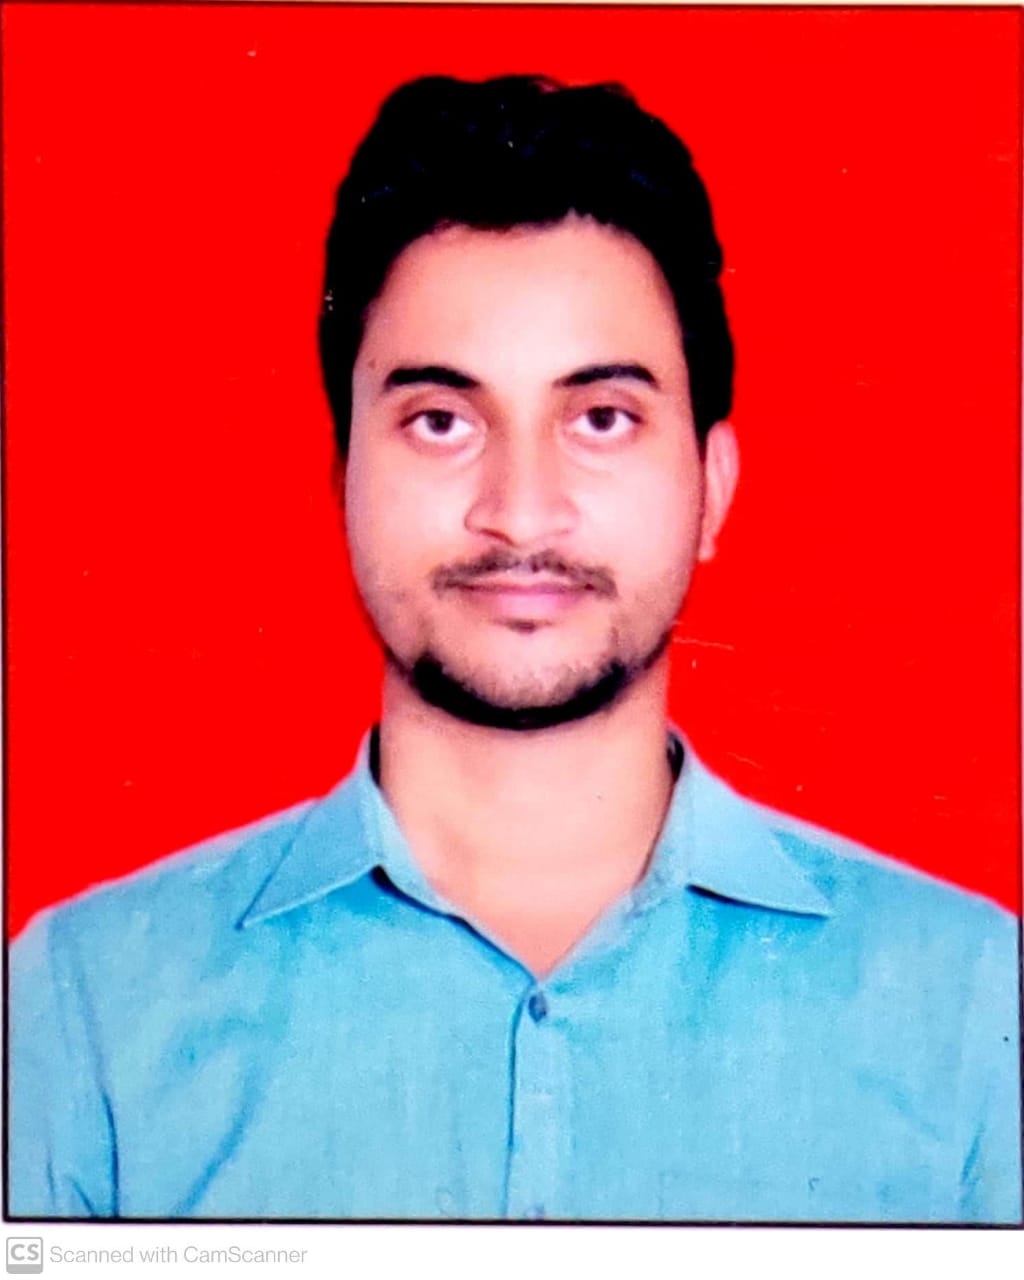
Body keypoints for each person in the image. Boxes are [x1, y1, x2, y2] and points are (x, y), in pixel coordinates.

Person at [9, 75, 1020, 1224]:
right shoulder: (85, 1013)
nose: (521, 510)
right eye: (441, 420)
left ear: (711, 485)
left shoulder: (972, 1012)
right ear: (344, 478)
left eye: (601, 418)